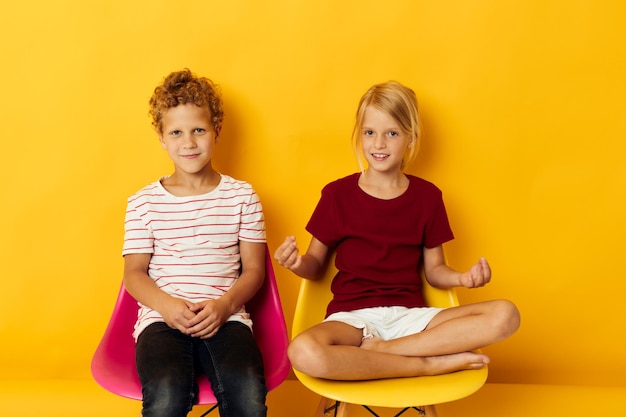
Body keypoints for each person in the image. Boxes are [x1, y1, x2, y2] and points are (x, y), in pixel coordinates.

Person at [275, 81, 520, 383]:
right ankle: (425, 365)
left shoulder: (428, 197)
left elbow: (435, 270)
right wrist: (298, 263)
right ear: (359, 136)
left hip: (413, 318)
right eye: (370, 133)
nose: (379, 144)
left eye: (391, 133)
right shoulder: (337, 195)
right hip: (353, 320)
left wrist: (462, 279)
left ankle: (387, 350)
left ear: (410, 138)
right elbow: (315, 263)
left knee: (506, 314)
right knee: (302, 352)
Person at [122, 69, 268, 417]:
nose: (188, 142)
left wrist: (224, 306)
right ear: (162, 138)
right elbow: (134, 274)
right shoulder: (143, 202)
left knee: (247, 390)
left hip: (227, 317)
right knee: (166, 392)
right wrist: (169, 308)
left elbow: (255, 270)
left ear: (216, 131)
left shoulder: (242, 196)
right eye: (176, 132)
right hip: (162, 319)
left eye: (198, 130)